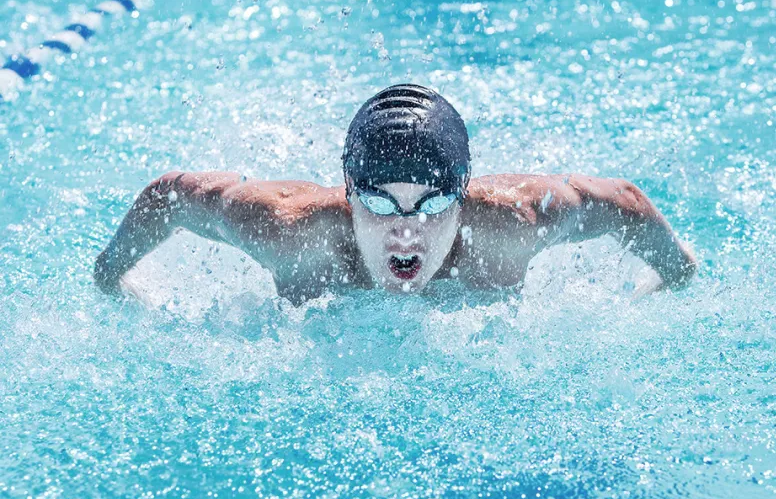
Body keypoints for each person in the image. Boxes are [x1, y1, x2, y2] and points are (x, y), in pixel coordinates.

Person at [94, 84, 697, 306]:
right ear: (349, 195)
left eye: (431, 205)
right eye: (381, 204)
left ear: (463, 198)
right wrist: (110, 278)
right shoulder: (287, 229)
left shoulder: (513, 222)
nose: (406, 231)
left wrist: (675, 274)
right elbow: (168, 195)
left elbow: (623, 201)